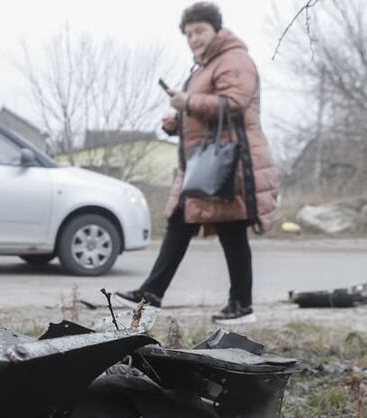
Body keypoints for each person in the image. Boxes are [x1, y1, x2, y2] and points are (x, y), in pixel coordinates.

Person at [117, 2, 279, 325]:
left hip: (228, 164)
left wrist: (187, 102)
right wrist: (177, 120)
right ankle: (151, 294)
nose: (193, 38)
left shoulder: (234, 59)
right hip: (203, 165)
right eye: (189, 33)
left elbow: (234, 104)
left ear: (216, 29)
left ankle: (241, 306)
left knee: (232, 231)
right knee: (179, 223)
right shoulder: (203, 68)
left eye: (200, 30)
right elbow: (202, 113)